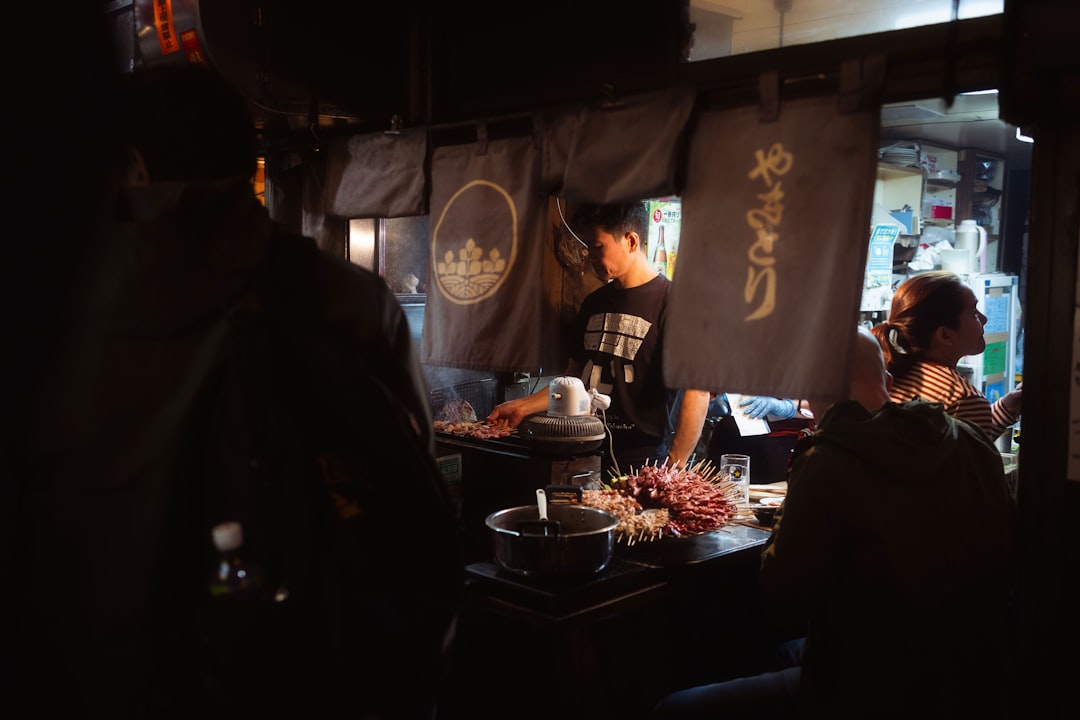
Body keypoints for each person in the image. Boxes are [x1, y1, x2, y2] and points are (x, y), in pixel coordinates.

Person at [10, 64, 459, 719]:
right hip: (310, 672)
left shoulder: (47, 320)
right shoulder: (349, 302)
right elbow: (412, 487)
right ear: (247, 165)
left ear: (133, 167)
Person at [653, 326, 1015, 719]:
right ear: (888, 381)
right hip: (977, 667)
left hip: (875, 683)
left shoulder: (828, 459)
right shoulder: (970, 440)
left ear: (811, 394)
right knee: (778, 654)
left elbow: (784, 601)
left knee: (675, 708)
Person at [487, 200, 711, 474]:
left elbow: (697, 391)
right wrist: (522, 406)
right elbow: (573, 380)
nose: (589, 256)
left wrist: (673, 468)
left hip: (644, 463)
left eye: (596, 246)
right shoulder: (594, 303)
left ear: (630, 241)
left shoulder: (675, 304)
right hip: (585, 451)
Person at [870, 270, 1021, 442]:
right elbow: (972, 454)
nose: (984, 318)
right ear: (945, 335)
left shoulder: (893, 374)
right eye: (973, 313)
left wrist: (1006, 409)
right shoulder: (962, 398)